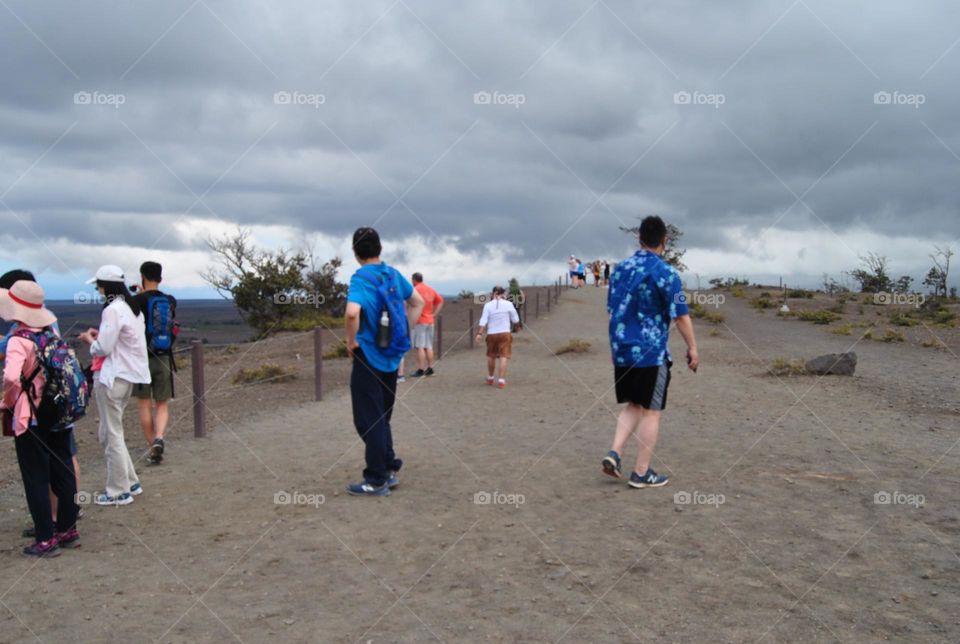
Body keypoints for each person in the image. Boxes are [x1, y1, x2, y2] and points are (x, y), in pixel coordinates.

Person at [602, 216, 698, 489]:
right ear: (664, 241)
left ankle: (615, 453)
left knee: (633, 404)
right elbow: (680, 316)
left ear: (639, 237)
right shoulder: (668, 274)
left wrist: (617, 343)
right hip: (650, 353)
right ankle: (641, 473)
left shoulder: (620, 270)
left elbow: (612, 309)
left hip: (622, 350)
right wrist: (692, 347)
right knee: (652, 412)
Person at [0, 270, 81, 539]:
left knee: (35, 476)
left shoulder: (17, 340)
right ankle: (68, 530)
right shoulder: (52, 336)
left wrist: (7, 402)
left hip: (30, 416)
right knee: (63, 470)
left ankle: (45, 537)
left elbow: (11, 377)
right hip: (58, 411)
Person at [344, 227, 424, 497]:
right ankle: (387, 467)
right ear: (379, 249)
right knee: (383, 416)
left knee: (368, 419)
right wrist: (404, 332)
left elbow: (352, 313)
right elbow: (418, 302)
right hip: (392, 355)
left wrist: (351, 341)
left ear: (356, 253)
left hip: (368, 354)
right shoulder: (392, 274)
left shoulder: (360, 278)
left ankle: (376, 478)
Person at [79, 265, 150, 506]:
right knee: (113, 431)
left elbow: (104, 348)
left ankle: (118, 491)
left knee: (111, 433)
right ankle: (130, 481)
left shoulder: (112, 310)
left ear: (105, 286)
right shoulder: (132, 308)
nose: (97, 290)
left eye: (98, 285)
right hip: (128, 376)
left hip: (111, 377)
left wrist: (91, 341)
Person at [131, 261, 178, 464]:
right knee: (162, 404)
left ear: (142, 275)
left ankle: (153, 448)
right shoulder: (169, 300)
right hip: (164, 356)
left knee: (144, 405)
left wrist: (138, 294)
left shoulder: (135, 301)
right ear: (160, 277)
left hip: (142, 359)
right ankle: (159, 437)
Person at [475, 286, 520, 389]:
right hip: (505, 333)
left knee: (491, 356)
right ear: (503, 294)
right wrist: (517, 327)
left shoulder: (487, 305)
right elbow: (515, 318)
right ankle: (501, 380)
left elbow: (483, 320)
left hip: (492, 334)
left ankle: (491, 378)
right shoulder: (508, 304)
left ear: (493, 293)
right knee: (503, 356)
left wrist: (479, 333)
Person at [408, 273, 443, 378]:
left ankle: (421, 370)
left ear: (414, 280)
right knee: (428, 346)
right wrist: (434, 314)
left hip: (419, 321)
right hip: (430, 320)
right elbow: (440, 301)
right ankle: (430, 368)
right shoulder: (430, 289)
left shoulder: (415, 290)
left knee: (420, 346)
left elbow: (408, 303)